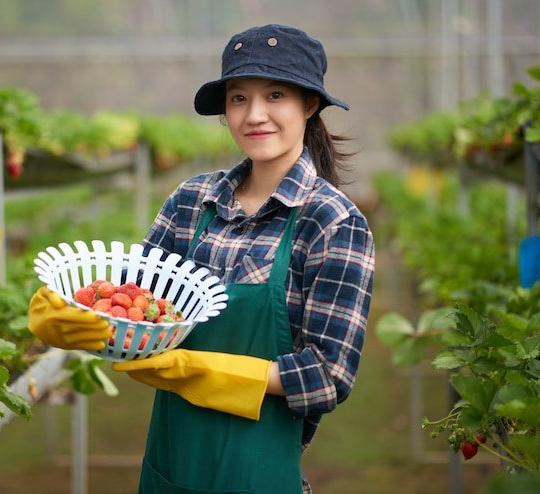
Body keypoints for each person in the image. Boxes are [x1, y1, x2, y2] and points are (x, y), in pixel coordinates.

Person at [28, 24, 375, 494]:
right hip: (169, 469)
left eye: (275, 95)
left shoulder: (333, 222)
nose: (255, 115)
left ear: (309, 105)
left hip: (259, 475)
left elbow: (328, 376)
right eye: (238, 98)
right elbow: (133, 304)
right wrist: (70, 315)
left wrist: (202, 371)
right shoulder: (192, 201)